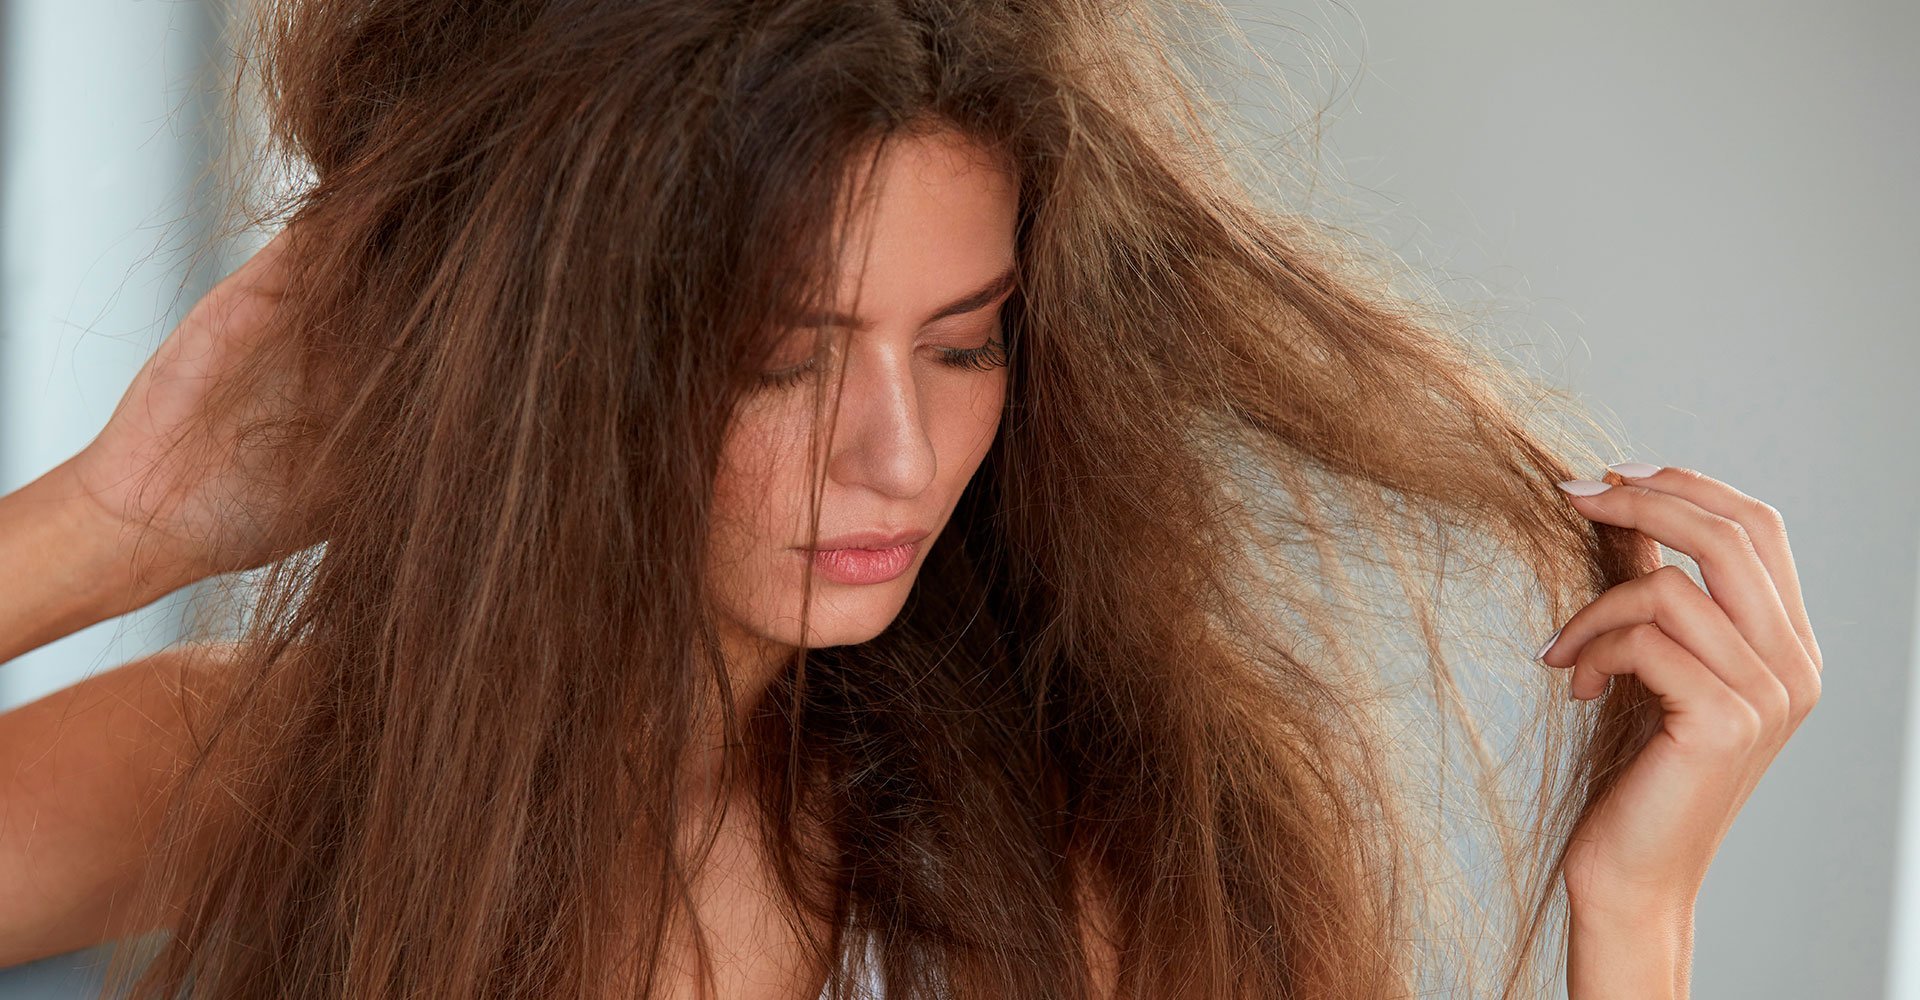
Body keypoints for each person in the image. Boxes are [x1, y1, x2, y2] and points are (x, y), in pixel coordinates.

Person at [0, 0, 1823, 997]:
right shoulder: (259, 771)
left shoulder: (1084, 864)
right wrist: (116, 516)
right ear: (554, 371)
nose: (897, 455)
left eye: (963, 345)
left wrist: (1636, 917)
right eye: (781, 359)